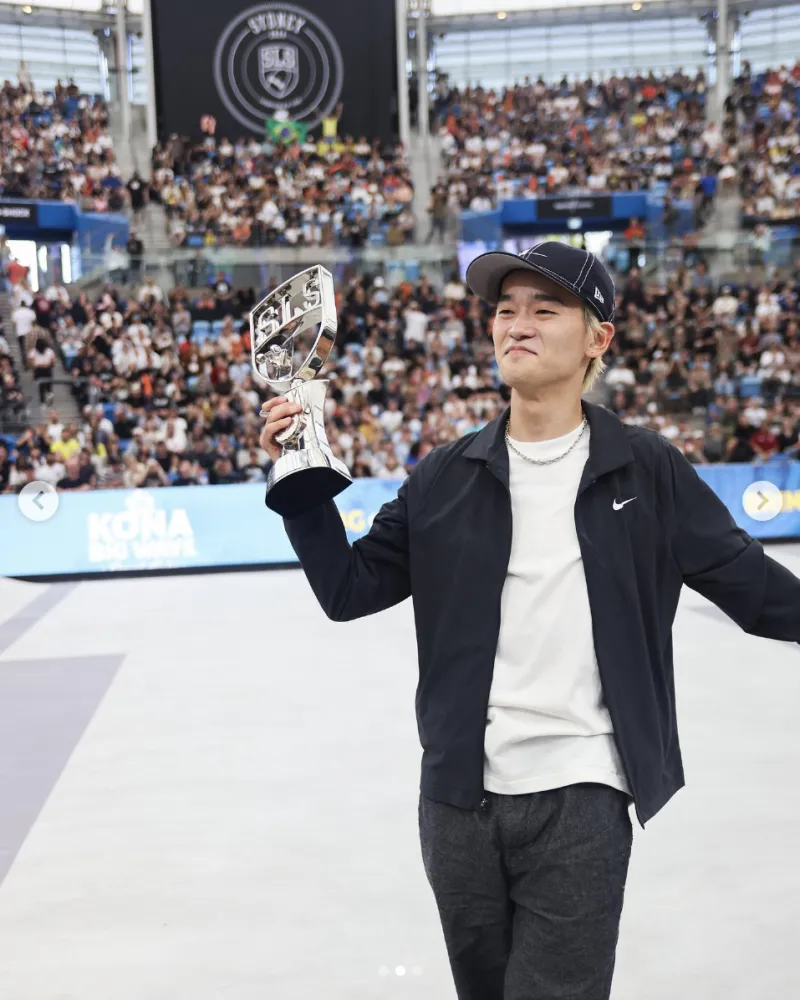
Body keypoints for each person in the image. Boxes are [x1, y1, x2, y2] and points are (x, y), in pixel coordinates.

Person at [259, 243, 800, 1000]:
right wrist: (301, 477)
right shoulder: (445, 475)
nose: (517, 324)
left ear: (598, 337)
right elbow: (348, 589)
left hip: (583, 795)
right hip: (456, 806)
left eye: (545, 309)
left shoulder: (647, 471)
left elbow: (758, 592)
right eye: (505, 309)